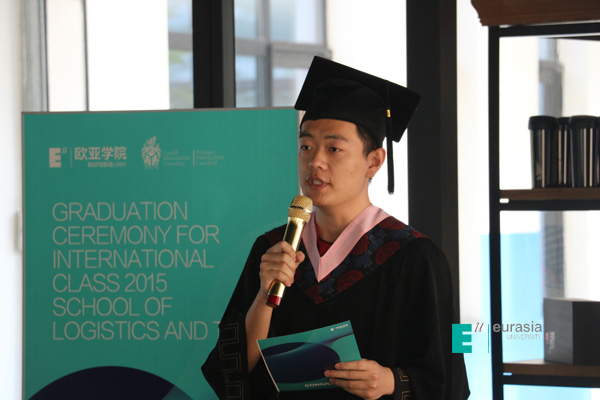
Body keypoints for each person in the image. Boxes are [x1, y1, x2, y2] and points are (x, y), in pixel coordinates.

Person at [202, 56, 470, 400]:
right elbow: (231, 371)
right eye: (306, 147)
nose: (315, 161)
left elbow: (449, 377)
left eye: (334, 148)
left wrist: (389, 381)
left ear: (374, 162)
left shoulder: (414, 257)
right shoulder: (273, 249)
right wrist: (264, 297)